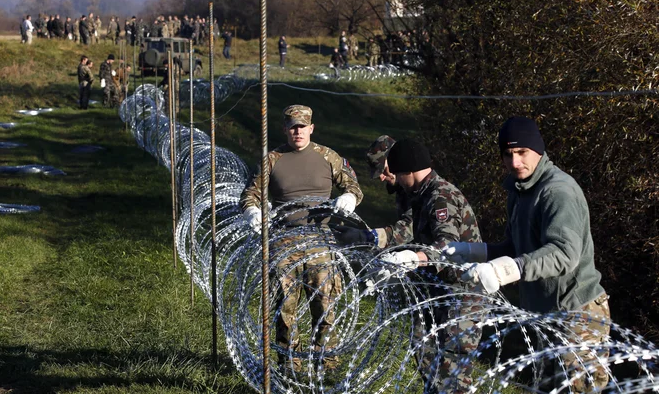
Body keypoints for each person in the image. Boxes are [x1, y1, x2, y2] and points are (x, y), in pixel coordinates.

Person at [444, 116, 611, 392]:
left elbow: (564, 254)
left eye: (522, 152)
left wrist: (505, 271)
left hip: (576, 313)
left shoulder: (557, 192)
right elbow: (516, 248)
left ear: (538, 150)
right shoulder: (519, 191)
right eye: (508, 155)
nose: (515, 162)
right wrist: (473, 251)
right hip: (545, 314)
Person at [335, 138, 483, 393]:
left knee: (452, 371)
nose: (389, 180)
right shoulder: (420, 194)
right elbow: (410, 233)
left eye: (391, 172)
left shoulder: (440, 197)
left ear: (406, 171)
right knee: (426, 356)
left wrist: (413, 258)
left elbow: (447, 248)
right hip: (435, 289)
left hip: (461, 293)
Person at [240, 105, 363, 372]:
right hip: (284, 241)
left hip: (319, 240)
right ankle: (290, 363)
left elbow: (353, 185)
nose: (298, 131)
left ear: (311, 128)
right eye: (293, 126)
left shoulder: (327, 156)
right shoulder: (272, 159)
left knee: (325, 303)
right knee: (285, 307)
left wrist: (349, 197)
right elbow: (251, 193)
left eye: (302, 126)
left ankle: (327, 361)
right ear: (285, 129)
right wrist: (252, 211)